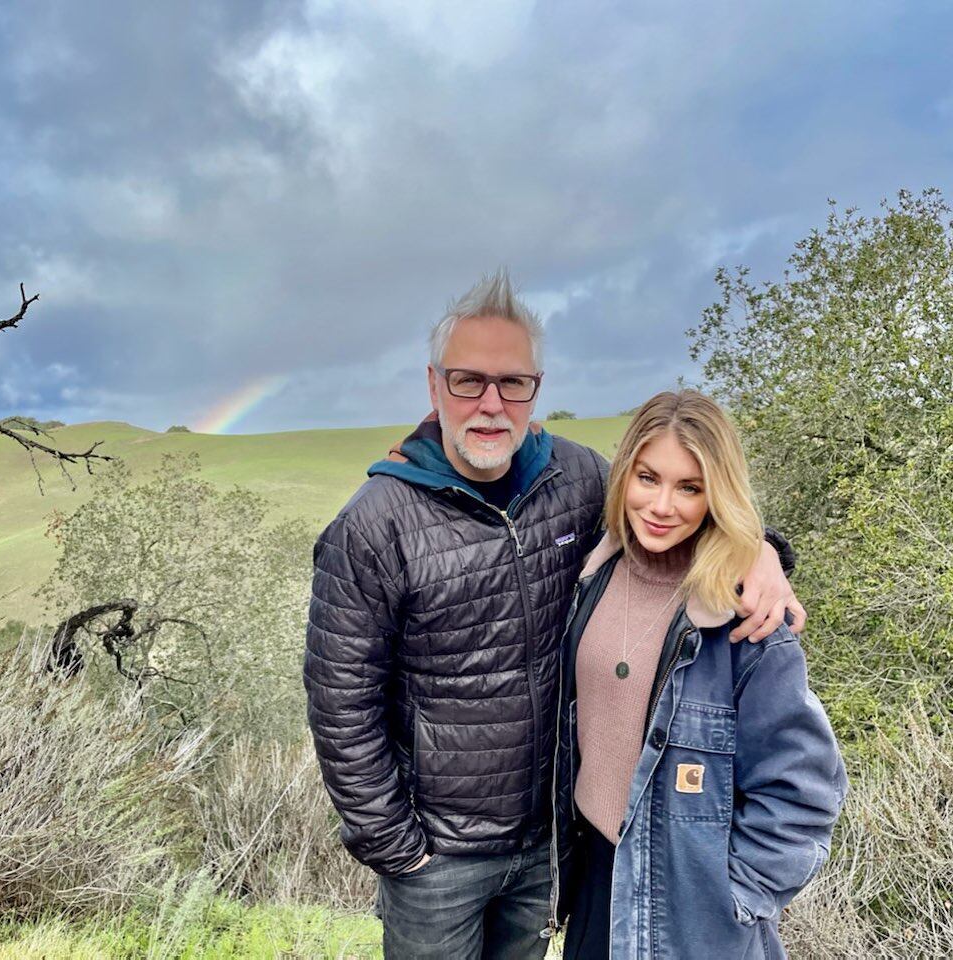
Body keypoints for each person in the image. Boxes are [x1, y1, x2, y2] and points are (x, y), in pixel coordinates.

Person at [304, 271, 803, 960]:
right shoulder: (375, 524)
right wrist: (395, 847)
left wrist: (762, 554)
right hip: (437, 858)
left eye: (513, 383)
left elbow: (677, 516)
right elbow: (340, 704)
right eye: (467, 381)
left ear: (536, 389)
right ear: (433, 386)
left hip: (547, 847)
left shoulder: (576, 479)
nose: (490, 404)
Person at [552, 389, 847, 960]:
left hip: (690, 910)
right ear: (624, 478)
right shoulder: (593, 571)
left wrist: (735, 898)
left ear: (717, 494)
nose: (662, 505)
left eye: (689, 487)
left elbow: (803, 791)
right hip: (594, 882)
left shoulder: (748, 620)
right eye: (648, 478)